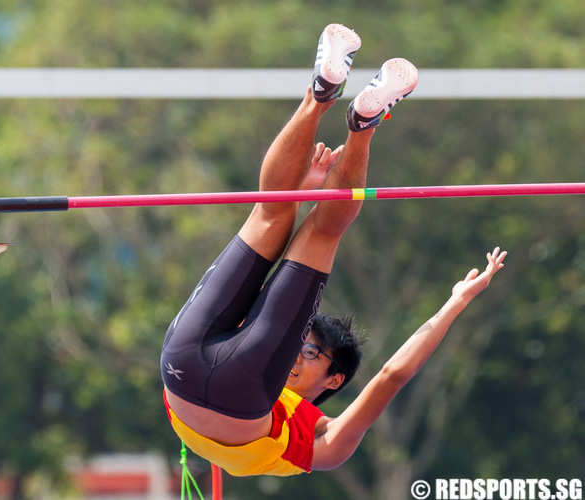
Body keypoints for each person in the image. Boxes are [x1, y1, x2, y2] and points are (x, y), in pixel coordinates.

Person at [160, 23, 507, 477]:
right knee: (280, 212)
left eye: (305, 352)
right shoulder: (316, 442)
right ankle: (349, 113)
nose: (294, 355)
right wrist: (454, 303)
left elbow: (390, 376)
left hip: (187, 364)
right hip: (193, 372)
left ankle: (331, 100)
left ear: (334, 380)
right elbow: (391, 377)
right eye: (301, 346)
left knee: (276, 214)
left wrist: (456, 303)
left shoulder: (323, 440)